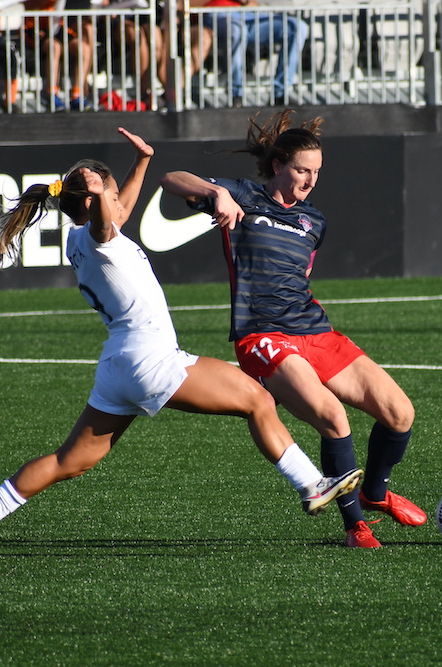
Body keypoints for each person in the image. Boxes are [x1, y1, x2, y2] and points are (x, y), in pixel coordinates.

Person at [0, 126, 362, 561]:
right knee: (258, 399)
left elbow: (118, 209)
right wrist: (96, 186)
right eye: (106, 193)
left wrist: (141, 160)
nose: (116, 202)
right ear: (94, 203)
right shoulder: (99, 237)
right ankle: (312, 484)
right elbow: (110, 216)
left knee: (70, 461)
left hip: (117, 367)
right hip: (150, 358)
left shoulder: (77, 238)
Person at [160, 110, 427, 549]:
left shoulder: (314, 222)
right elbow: (172, 178)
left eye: (317, 172)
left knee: (400, 413)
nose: (310, 180)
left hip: (314, 330)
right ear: (279, 164)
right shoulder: (240, 195)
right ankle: (354, 526)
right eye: (303, 170)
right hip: (263, 335)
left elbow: (298, 277)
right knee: (332, 417)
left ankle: (374, 494)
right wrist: (215, 194)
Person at [191, 0, 308, 107]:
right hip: (217, 12)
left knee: (297, 27)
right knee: (237, 30)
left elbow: (251, 3)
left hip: (247, 13)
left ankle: (280, 94)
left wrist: (247, 2)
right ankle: (236, 94)